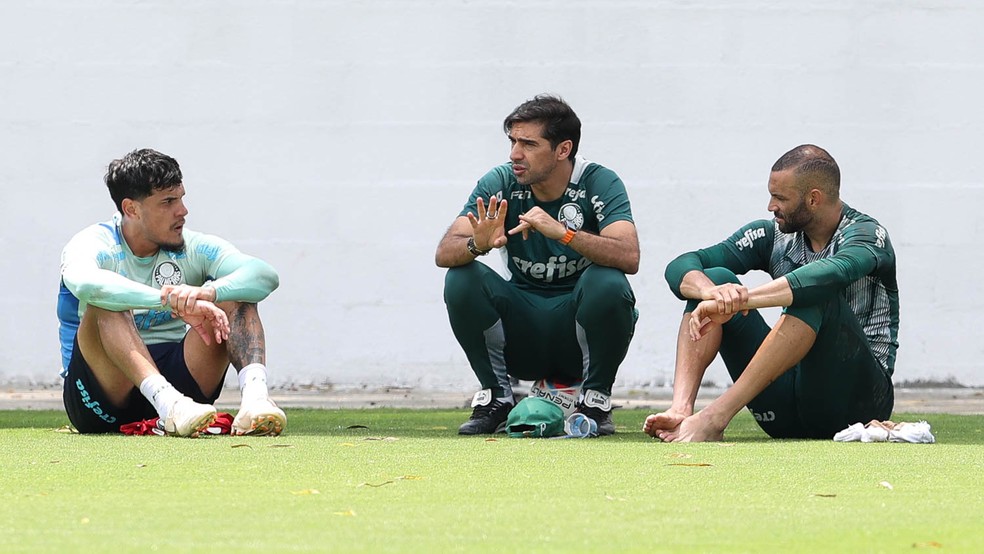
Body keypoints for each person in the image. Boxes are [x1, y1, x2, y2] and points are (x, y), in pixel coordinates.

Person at [644, 144, 898, 442]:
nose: (770, 206)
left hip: (858, 405)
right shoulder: (772, 235)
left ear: (813, 199)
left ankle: (714, 418)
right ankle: (680, 409)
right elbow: (682, 265)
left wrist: (742, 300)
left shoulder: (867, 235)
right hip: (786, 411)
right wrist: (713, 293)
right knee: (715, 279)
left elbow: (826, 276)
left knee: (816, 294)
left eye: (780, 198)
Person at [436, 94, 640, 436]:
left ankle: (595, 402)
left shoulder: (598, 182)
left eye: (529, 144)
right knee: (461, 277)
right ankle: (496, 398)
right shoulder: (500, 182)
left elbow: (629, 256)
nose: (515, 154)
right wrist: (477, 244)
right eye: (513, 142)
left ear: (563, 149)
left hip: (577, 335)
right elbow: (444, 252)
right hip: (523, 333)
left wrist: (564, 233)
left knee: (608, 281)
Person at [58, 148, 287, 437]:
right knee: (105, 301)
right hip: (102, 396)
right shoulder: (93, 242)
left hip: (184, 390)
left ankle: (255, 401)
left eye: (181, 198)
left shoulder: (194, 247)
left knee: (237, 293)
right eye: (168, 202)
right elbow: (87, 284)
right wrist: (166, 300)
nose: (183, 211)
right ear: (131, 209)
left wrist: (208, 293)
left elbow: (264, 275)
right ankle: (168, 404)